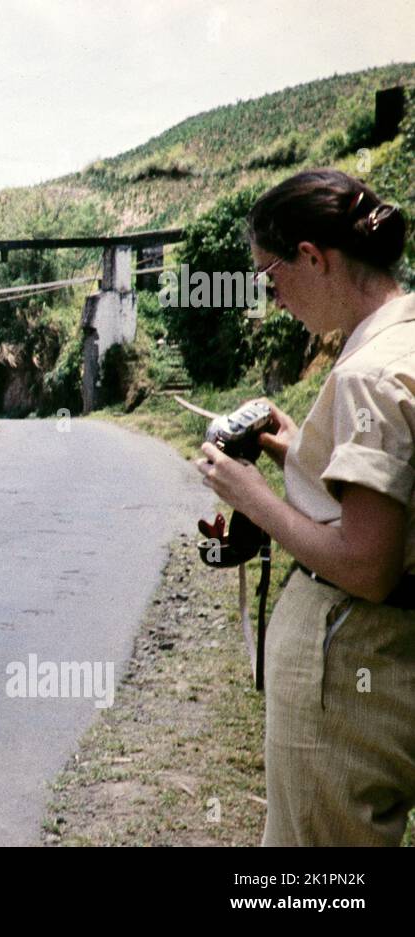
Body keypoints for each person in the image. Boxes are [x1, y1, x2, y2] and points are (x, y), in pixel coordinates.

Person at [193, 168, 415, 846]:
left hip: (347, 663)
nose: (273, 298)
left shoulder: (367, 373)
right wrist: (301, 452)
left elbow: (368, 561)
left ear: (313, 258)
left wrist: (251, 496)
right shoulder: (399, 338)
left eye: (270, 276)